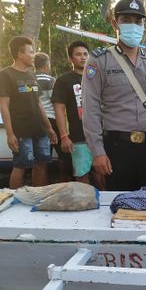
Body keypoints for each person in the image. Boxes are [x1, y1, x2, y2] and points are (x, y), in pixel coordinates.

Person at [82, 0, 146, 191]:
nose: (133, 26)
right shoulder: (99, 61)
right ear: (115, 23)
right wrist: (97, 152)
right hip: (117, 149)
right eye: (126, 20)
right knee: (121, 206)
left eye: (138, 21)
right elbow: (90, 109)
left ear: (144, 25)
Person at [0, 36, 57, 189]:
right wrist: (9, 134)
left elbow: (39, 103)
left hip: (40, 129)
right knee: (21, 165)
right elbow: (4, 106)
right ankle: (13, 200)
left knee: (42, 164)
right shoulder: (5, 75)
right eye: (31, 52)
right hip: (21, 130)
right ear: (20, 54)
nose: (34, 55)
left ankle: (39, 195)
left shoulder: (31, 75)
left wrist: (48, 127)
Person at [52, 41, 104, 189]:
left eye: (85, 54)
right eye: (78, 54)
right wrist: (64, 136)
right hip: (78, 136)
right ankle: (85, 206)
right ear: (71, 58)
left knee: (103, 173)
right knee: (82, 175)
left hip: (101, 135)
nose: (83, 57)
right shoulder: (63, 81)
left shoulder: (97, 77)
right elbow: (59, 109)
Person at [35, 52, 71, 182]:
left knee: (42, 158)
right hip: (51, 118)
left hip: (36, 120)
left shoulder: (29, 78)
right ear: (46, 65)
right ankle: (63, 179)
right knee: (64, 154)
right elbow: (55, 100)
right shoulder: (50, 80)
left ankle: (41, 185)